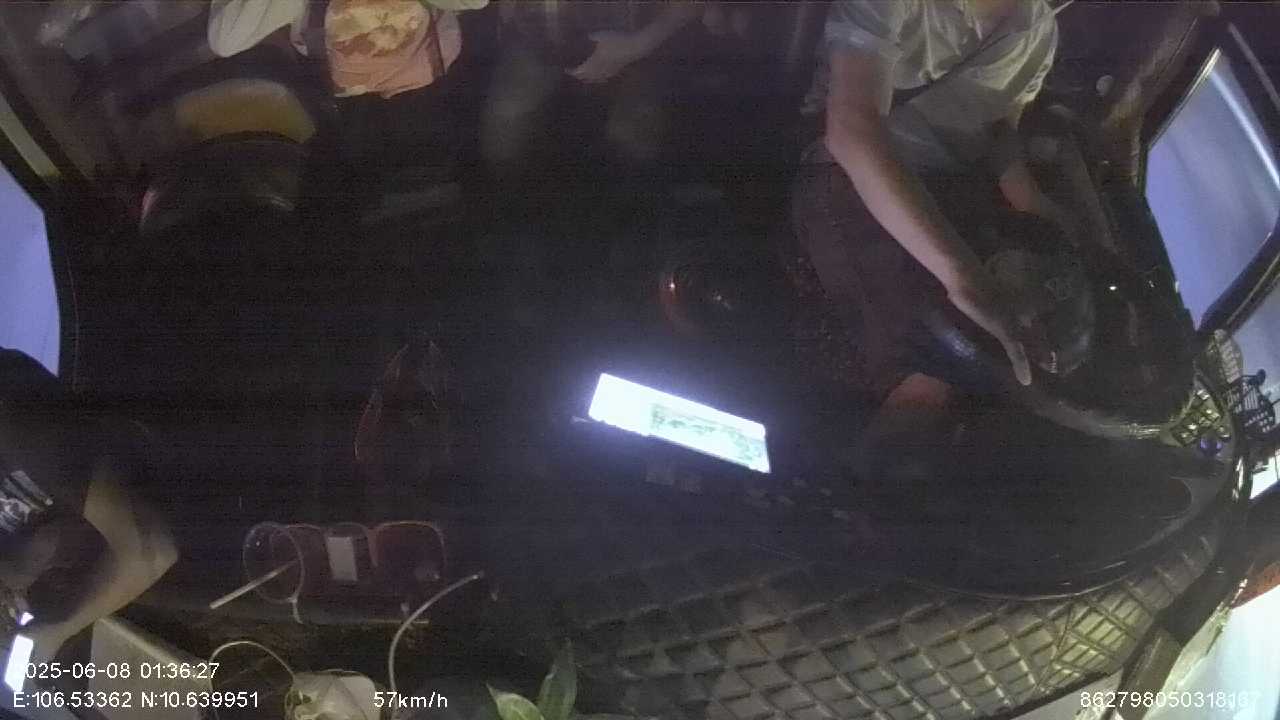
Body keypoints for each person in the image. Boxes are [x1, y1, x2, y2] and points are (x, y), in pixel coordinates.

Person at [788, 0, 1066, 450]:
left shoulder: (1038, 31)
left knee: (1025, 356)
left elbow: (1002, 130)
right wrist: (964, 278)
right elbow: (853, 130)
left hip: (955, 186)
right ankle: (858, 486)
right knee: (932, 371)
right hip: (852, 173)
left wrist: (1033, 205)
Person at [0, 350, 177, 663]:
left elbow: (154, 552)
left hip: (176, 571)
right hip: (67, 589)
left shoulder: (23, 425)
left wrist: (56, 633)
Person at [481, 0, 704, 179]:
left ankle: (634, 202)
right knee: (506, 119)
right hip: (540, 31)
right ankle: (508, 198)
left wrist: (638, 45)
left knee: (636, 133)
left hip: (642, 34)